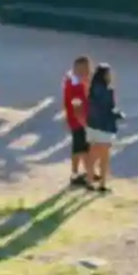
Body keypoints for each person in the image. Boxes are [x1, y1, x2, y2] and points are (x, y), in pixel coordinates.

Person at [83, 62, 120, 193]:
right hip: (104, 127)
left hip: (92, 126)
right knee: (104, 157)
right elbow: (110, 109)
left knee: (92, 155)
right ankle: (102, 184)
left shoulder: (91, 90)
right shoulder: (109, 91)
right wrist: (118, 114)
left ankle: (89, 182)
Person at [62, 55, 92, 186]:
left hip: (81, 119)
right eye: (85, 69)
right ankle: (77, 175)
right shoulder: (74, 85)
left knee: (83, 147)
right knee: (80, 148)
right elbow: (76, 107)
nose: (88, 72)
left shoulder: (78, 81)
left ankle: (87, 172)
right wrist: (84, 123)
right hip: (78, 121)